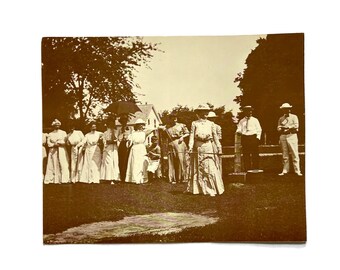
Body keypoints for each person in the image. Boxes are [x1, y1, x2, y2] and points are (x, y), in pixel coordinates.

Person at [186, 104, 224, 196]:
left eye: (207, 111)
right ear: (199, 113)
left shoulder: (211, 124)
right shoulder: (194, 123)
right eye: (203, 111)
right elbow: (191, 136)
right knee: (198, 167)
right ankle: (198, 189)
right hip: (198, 146)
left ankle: (211, 189)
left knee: (209, 166)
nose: (205, 113)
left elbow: (215, 137)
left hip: (208, 146)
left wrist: (219, 148)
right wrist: (190, 147)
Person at [125, 118, 157, 184]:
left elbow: (153, 129)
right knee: (135, 163)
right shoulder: (132, 133)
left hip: (142, 148)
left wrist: (145, 127)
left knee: (142, 163)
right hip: (135, 149)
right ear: (137, 125)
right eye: (140, 124)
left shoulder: (144, 133)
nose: (142, 126)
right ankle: (135, 179)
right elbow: (128, 143)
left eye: (143, 124)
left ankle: (143, 179)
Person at [277, 103, 303, 176]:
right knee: (285, 154)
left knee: (294, 153)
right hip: (283, 136)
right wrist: (283, 128)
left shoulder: (294, 117)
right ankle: (285, 170)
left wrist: (287, 127)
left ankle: (297, 170)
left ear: (290, 109)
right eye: (284, 109)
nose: (286, 110)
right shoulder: (281, 118)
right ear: (282, 110)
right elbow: (278, 128)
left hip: (292, 136)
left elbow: (296, 126)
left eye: (287, 108)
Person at [236, 105, 262, 172]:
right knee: (246, 154)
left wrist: (258, 138)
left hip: (253, 138)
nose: (250, 112)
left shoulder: (255, 120)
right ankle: (247, 169)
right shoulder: (242, 121)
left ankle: (255, 169)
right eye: (248, 111)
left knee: (255, 154)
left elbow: (259, 129)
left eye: (251, 110)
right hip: (245, 138)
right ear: (245, 112)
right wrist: (238, 132)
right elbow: (239, 129)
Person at [44, 119, 70, 184]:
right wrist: (53, 144)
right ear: (53, 125)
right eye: (56, 125)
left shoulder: (63, 132)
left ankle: (64, 179)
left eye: (58, 124)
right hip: (53, 150)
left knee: (63, 163)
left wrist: (60, 143)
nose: (57, 126)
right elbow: (48, 143)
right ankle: (53, 179)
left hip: (61, 149)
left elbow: (66, 141)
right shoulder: (50, 134)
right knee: (53, 163)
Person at [166, 113, 190, 184]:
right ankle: (173, 178)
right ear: (170, 119)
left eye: (175, 117)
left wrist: (182, 137)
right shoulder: (167, 127)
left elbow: (188, 133)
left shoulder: (181, 125)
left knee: (181, 159)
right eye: (172, 118)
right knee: (172, 160)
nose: (174, 119)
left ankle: (183, 177)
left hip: (180, 142)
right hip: (171, 143)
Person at [100, 119, 120, 184]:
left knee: (115, 162)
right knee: (109, 163)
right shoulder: (105, 133)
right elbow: (105, 142)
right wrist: (111, 141)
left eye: (112, 124)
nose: (111, 125)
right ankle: (108, 178)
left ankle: (115, 178)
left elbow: (118, 140)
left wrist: (114, 137)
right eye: (110, 124)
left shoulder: (116, 132)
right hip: (108, 149)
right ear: (108, 125)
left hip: (114, 149)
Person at [117, 114, 132, 182]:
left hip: (128, 144)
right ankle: (122, 176)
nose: (124, 122)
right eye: (122, 121)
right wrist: (122, 133)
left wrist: (128, 139)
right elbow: (118, 138)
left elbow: (131, 136)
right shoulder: (119, 129)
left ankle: (127, 176)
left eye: (125, 120)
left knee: (127, 159)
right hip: (121, 145)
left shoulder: (130, 128)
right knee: (121, 160)